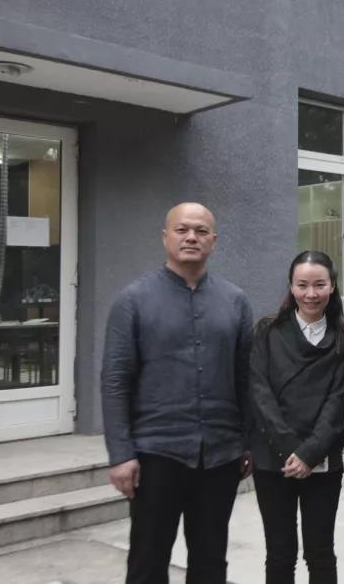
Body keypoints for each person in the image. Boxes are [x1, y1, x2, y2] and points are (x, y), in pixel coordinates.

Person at [101, 202, 253, 584]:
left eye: (201, 231)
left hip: (219, 455)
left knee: (211, 563)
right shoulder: (132, 300)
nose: (191, 237)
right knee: (148, 562)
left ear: (213, 240)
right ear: (165, 237)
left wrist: (247, 441)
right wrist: (121, 454)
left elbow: (246, 378)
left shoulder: (235, 301)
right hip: (156, 455)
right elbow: (115, 380)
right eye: (182, 229)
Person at [248, 250, 344, 583]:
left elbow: (336, 402)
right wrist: (291, 449)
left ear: (332, 286)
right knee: (280, 552)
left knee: (320, 552)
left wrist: (309, 453)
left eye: (319, 284)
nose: (311, 293)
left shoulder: (343, 336)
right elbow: (260, 393)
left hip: (322, 459)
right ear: (291, 287)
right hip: (272, 459)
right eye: (302, 285)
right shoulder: (267, 331)